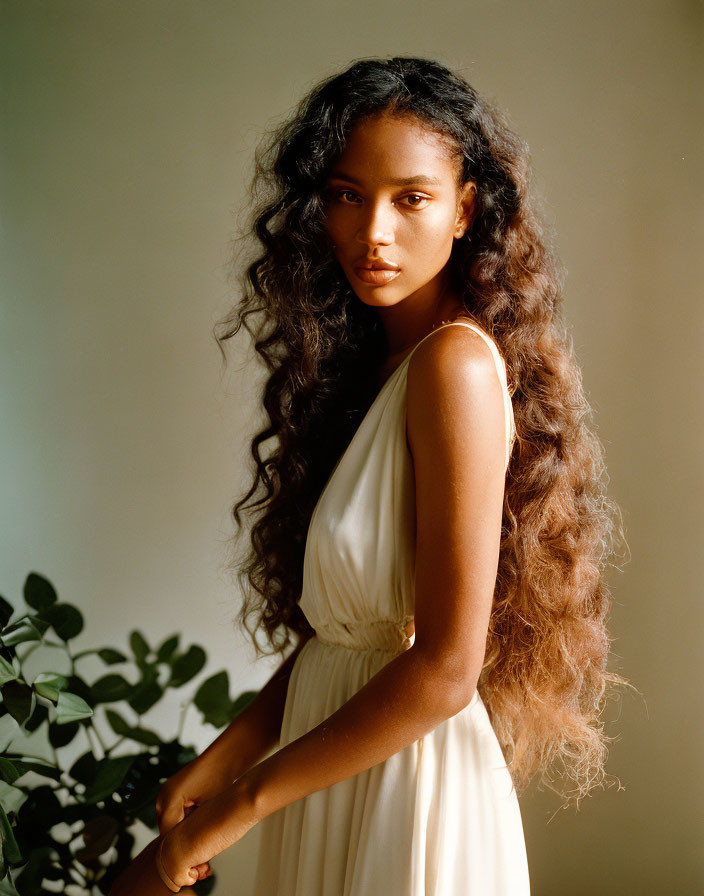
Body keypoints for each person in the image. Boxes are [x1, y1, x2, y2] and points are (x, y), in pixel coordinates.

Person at [110, 55, 634, 896]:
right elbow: (352, 640)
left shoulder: (453, 367)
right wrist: (227, 753)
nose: (373, 232)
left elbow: (443, 667)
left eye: (410, 198)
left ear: (465, 210)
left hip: (409, 793)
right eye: (348, 195)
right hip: (342, 773)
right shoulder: (386, 369)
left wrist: (238, 805)